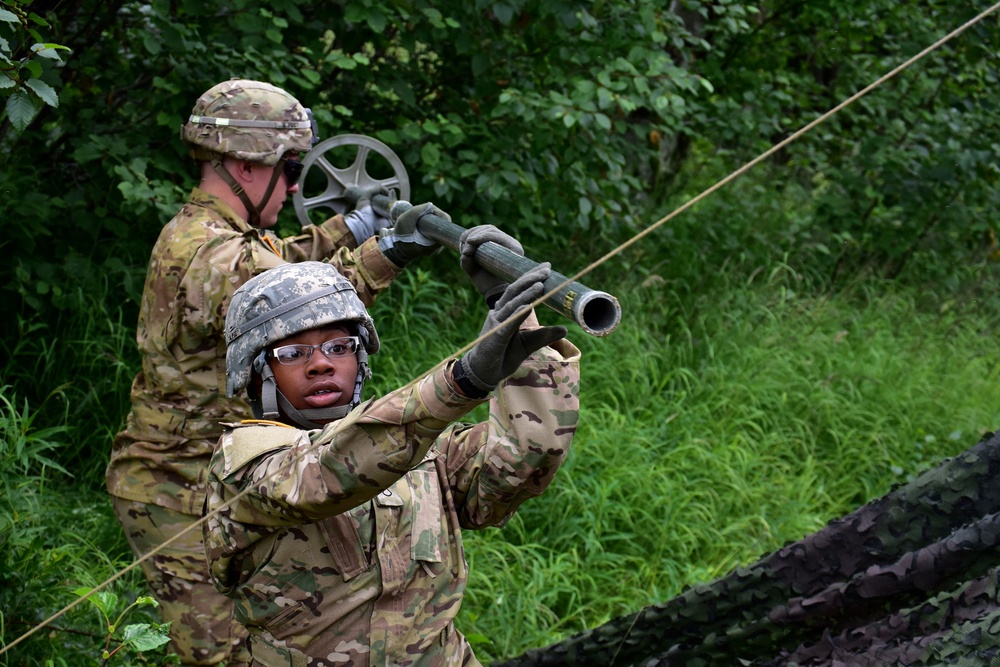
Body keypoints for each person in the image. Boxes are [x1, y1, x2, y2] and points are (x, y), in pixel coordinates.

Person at [105, 78, 439, 665]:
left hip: (209, 479)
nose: (294, 184)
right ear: (244, 165)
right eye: (288, 167)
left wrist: (355, 226)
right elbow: (305, 307)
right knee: (235, 656)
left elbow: (281, 260)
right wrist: (390, 251)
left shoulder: (209, 233)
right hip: (176, 491)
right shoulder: (213, 256)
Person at [202, 229, 581, 666]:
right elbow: (325, 474)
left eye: (339, 346)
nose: (322, 363)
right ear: (254, 373)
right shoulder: (242, 463)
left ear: (359, 358)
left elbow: (524, 462)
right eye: (293, 353)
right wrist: (462, 380)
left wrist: (513, 315)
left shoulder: (422, 444)